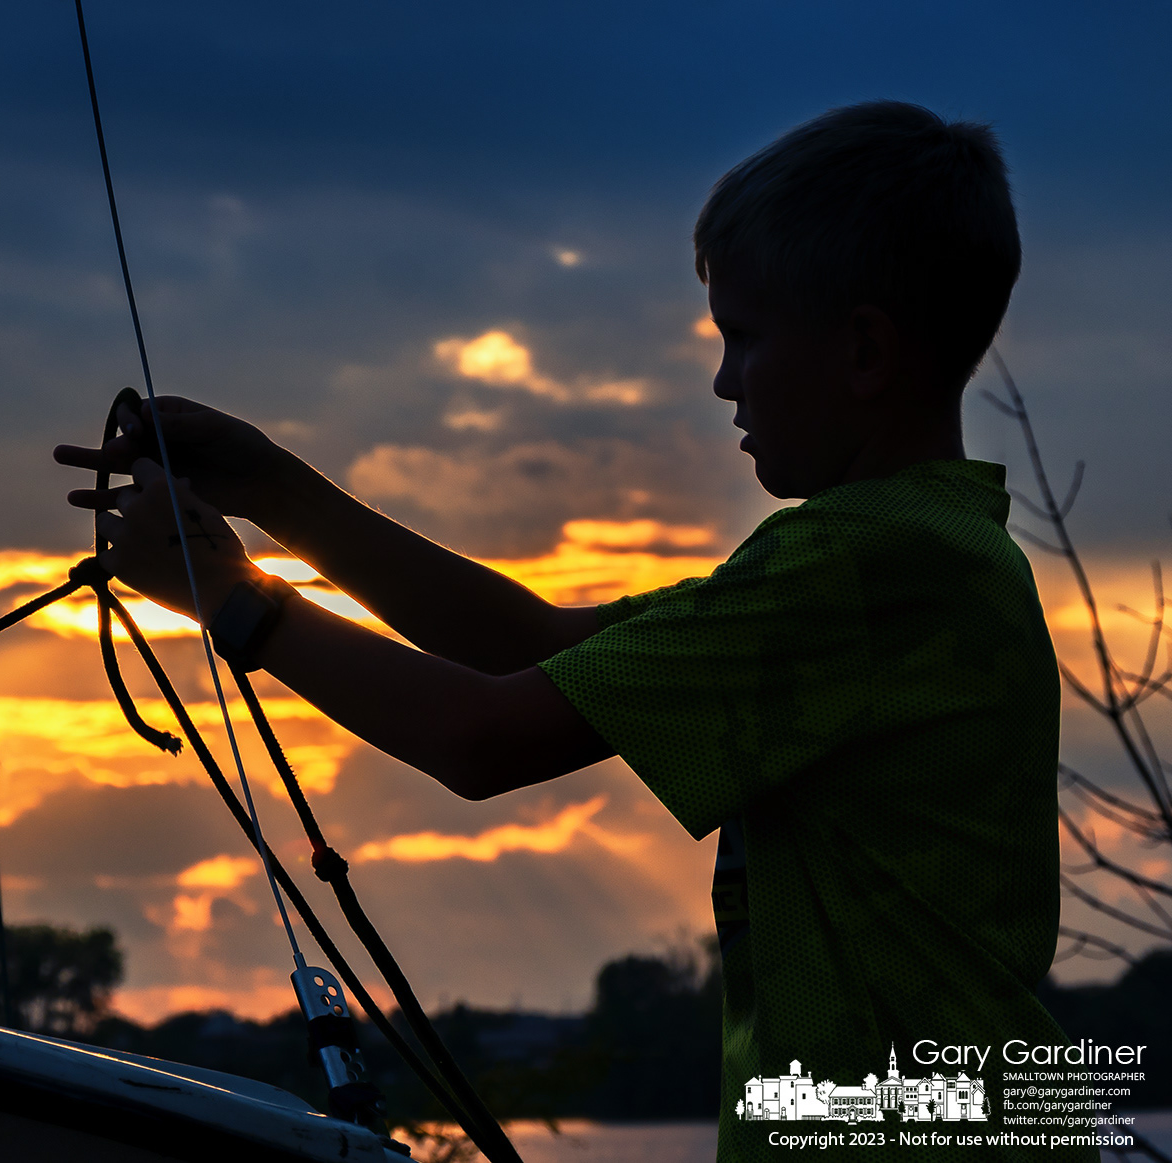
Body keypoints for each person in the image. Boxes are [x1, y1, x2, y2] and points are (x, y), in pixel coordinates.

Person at [55, 101, 1086, 1160]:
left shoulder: (864, 565)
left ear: (864, 349)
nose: (726, 380)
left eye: (746, 337)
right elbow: (533, 645)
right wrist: (276, 489)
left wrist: (231, 598)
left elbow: (485, 736)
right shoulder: (923, 551)